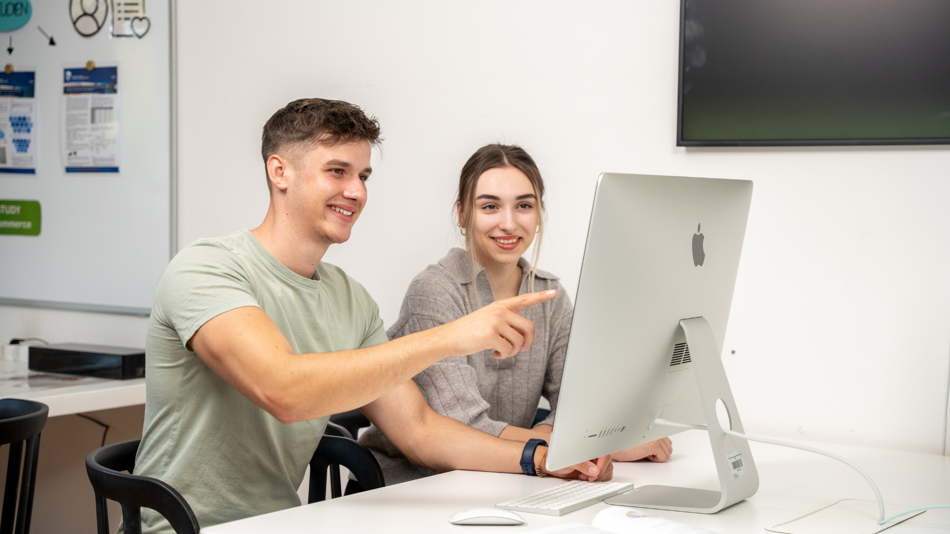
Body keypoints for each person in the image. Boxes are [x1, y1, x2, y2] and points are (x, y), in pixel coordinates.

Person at [134, 100, 610, 534]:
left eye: (362, 176)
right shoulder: (204, 269)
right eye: (337, 171)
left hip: (282, 523)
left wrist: (542, 459)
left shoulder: (351, 300)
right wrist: (451, 337)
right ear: (279, 171)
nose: (355, 191)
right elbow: (283, 391)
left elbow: (420, 430)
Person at [360, 144, 673, 485]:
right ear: (462, 214)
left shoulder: (549, 296)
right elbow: (465, 429)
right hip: (416, 485)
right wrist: (598, 444)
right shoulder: (434, 292)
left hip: (511, 476)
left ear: (538, 215)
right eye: (490, 206)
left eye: (524, 205)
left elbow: (583, 403)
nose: (509, 224)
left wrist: (555, 433)